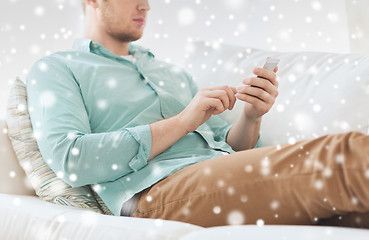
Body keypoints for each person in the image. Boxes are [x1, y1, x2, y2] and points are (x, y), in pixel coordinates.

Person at [26, 0, 369, 228]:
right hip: (156, 193)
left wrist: (251, 116)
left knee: (356, 212)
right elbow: (71, 160)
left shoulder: (172, 74)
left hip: (213, 173)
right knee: (344, 155)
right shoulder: (56, 69)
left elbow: (230, 149)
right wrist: (183, 121)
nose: (145, 5)